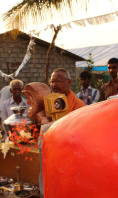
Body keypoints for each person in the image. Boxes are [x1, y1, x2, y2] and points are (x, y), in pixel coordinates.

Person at [38, 68, 85, 196]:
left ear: (69, 82)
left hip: (70, 152)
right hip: (50, 149)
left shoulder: (79, 105)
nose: (54, 85)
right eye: (52, 81)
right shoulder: (47, 101)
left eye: (58, 81)